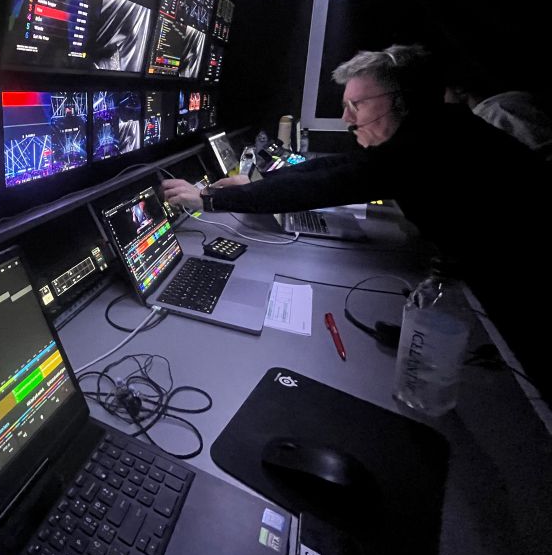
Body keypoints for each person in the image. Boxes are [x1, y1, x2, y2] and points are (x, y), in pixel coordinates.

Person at [162, 44, 549, 394]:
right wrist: (251, 184)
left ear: (402, 100)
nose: (347, 120)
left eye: (357, 106)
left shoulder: (429, 146)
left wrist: (208, 201)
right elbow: (340, 166)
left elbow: (328, 184)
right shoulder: (436, 131)